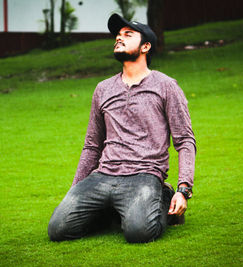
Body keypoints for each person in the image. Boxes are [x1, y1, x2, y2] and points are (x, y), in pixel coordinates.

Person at [48, 14, 196, 243]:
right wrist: (76, 189)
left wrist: (183, 189)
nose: (119, 38)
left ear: (146, 46)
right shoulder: (103, 89)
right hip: (102, 175)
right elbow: (92, 145)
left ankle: (163, 196)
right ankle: (117, 210)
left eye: (128, 35)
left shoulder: (166, 86)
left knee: (139, 233)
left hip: (144, 175)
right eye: (118, 36)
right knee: (58, 229)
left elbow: (185, 140)